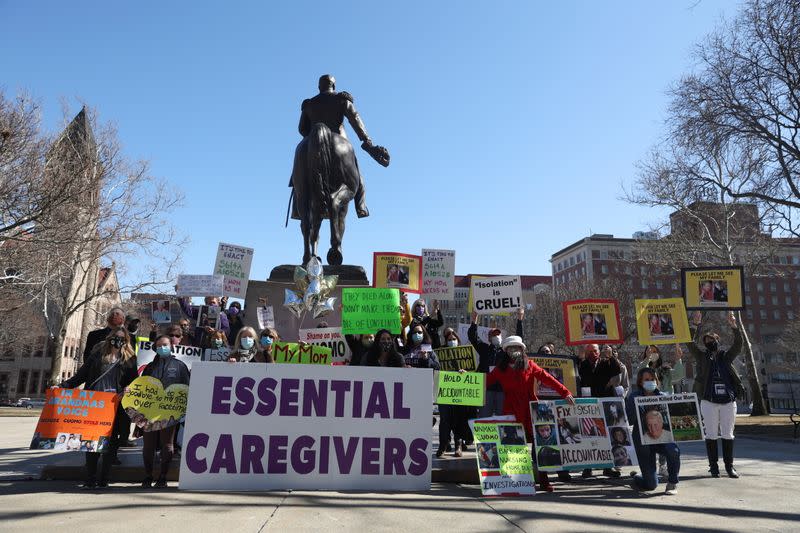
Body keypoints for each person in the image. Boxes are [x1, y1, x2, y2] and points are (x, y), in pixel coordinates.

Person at [485, 335, 575, 492]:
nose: (515, 351)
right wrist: (466, 376)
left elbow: (548, 379)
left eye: (517, 348)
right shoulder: (501, 369)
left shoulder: (530, 365)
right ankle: (518, 481)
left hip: (532, 411)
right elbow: (484, 381)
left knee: (539, 446)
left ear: (522, 349)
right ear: (506, 351)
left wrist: (565, 393)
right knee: (513, 448)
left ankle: (543, 480)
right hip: (511, 412)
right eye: (511, 348)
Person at [61, 327, 138, 488]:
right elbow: (81, 375)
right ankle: (90, 478)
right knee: (91, 442)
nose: (118, 340)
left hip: (114, 405)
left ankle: (103, 479)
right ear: (110, 337)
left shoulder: (130, 359)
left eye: (122, 338)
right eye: (116, 337)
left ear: (126, 341)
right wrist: (64, 386)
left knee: (110, 444)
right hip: (94, 404)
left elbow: (134, 382)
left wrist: (128, 389)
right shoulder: (97, 355)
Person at [686, 311, 743, 479]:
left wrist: (734, 327)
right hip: (709, 400)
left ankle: (729, 467)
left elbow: (738, 345)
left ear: (718, 341)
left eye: (712, 340)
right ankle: (713, 467)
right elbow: (689, 343)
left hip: (727, 400)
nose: (709, 343)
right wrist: (694, 325)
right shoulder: (702, 356)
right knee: (711, 434)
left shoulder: (726, 356)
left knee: (728, 433)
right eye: (706, 341)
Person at [140, 334, 191, 488]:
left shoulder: (180, 366)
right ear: (155, 348)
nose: (163, 348)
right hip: (150, 412)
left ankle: (163, 477)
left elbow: (187, 388)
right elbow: (141, 386)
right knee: (148, 445)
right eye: (160, 346)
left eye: (166, 345)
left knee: (167, 444)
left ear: (171, 347)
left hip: (169, 412)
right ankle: (148, 475)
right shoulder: (149, 367)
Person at [626, 368, 680, 494]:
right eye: (646, 380)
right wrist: (635, 405)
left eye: (652, 379)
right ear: (640, 382)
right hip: (643, 441)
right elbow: (629, 420)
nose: (650, 382)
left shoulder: (664, 397)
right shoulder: (634, 396)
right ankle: (638, 477)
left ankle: (672, 483)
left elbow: (672, 420)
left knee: (673, 450)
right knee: (650, 485)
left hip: (661, 439)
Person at [469, 308, 525, 417]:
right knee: (484, 416)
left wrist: (519, 320)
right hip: (486, 389)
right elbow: (473, 337)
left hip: (502, 389)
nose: (496, 337)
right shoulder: (484, 349)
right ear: (489, 338)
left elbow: (519, 340)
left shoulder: (506, 351)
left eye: (498, 335)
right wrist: (474, 320)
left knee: (502, 415)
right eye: (494, 335)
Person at [578, 344, 622, 479]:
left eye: (595, 351)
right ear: (586, 352)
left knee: (606, 437)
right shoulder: (582, 364)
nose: (593, 353)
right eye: (589, 351)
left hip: (604, 402)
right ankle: (587, 467)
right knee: (588, 435)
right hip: (587, 404)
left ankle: (608, 467)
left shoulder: (606, 362)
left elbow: (617, 371)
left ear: (599, 351)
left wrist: (611, 356)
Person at [436, 329, 471, 458]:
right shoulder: (440, 354)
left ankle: (458, 445)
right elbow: (434, 367)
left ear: (458, 340)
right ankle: (443, 445)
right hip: (445, 392)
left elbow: (473, 370)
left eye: (454, 339)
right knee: (445, 420)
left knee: (459, 419)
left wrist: (465, 372)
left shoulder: (465, 354)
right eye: (449, 340)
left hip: (460, 392)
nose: (452, 341)